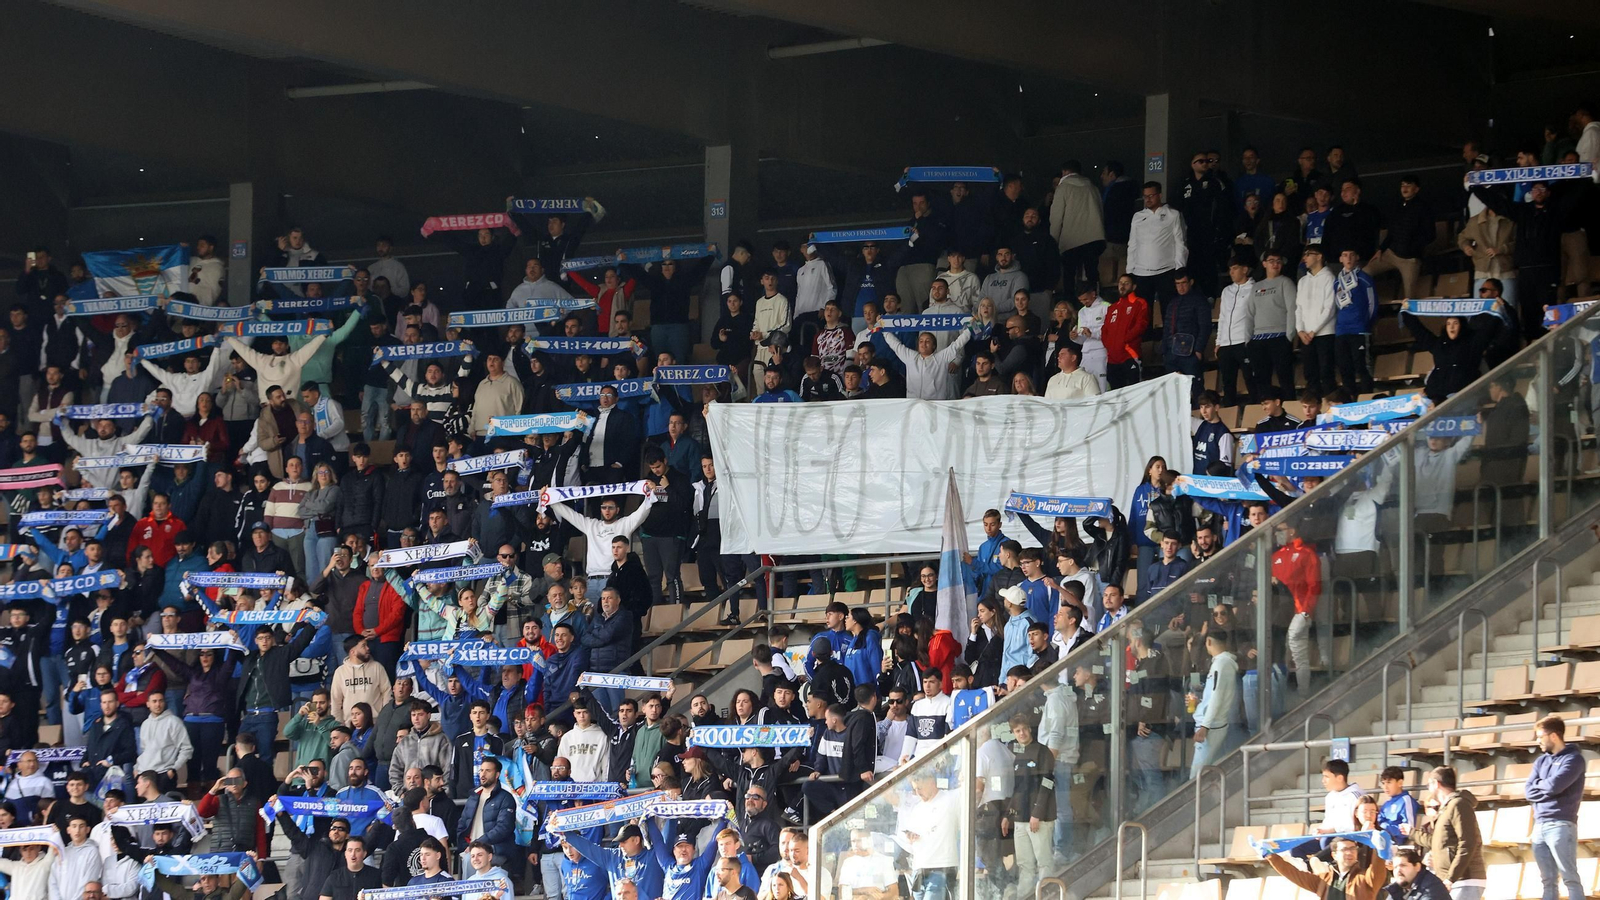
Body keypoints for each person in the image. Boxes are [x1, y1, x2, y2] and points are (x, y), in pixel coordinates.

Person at [1527, 714, 1586, 900]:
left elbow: (1555, 786)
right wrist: (1546, 787)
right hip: (1539, 825)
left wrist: (1542, 785)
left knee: (1570, 878)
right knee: (1547, 880)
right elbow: (1528, 791)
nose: (1537, 741)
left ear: (1553, 736)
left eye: (1540, 736)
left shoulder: (1574, 759)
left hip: (1561, 825)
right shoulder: (1541, 761)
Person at [1263, 836, 1388, 900]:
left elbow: (1378, 871)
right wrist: (1270, 856)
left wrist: (1379, 849)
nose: (1350, 853)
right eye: (1344, 849)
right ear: (1334, 855)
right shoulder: (1323, 880)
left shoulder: (1365, 879)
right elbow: (1295, 874)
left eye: (1352, 849)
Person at [1425, 765, 1485, 900]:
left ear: (1436, 783)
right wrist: (1411, 832)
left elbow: (1468, 844)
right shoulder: (1447, 808)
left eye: (1429, 784)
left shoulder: (1459, 805)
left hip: (1465, 880)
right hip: (1455, 881)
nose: (1428, 789)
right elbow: (1438, 841)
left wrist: (1451, 877)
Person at [1387, 848, 1452, 900]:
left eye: (1403, 865)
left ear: (1417, 867)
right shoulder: (1396, 889)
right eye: (1395, 867)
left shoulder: (1432, 888)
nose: (1398, 870)